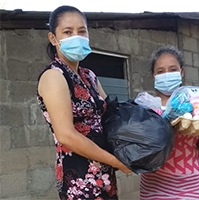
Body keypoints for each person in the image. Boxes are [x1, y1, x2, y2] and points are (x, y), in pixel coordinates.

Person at [37, 6, 131, 200]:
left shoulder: (89, 76)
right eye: (67, 32)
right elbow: (66, 135)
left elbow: (111, 115)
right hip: (79, 175)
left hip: (104, 172)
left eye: (81, 31)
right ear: (53, 38)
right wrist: (115, 161)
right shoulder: (54, 76)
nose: (76, 37)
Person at [140, 46, 199, 200]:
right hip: (156, 187)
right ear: (153, 76)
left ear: (181, 72)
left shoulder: (197, 103)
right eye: (160, 71)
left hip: (194, 187)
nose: (167, 75)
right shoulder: (146, 106)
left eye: (172, 69)